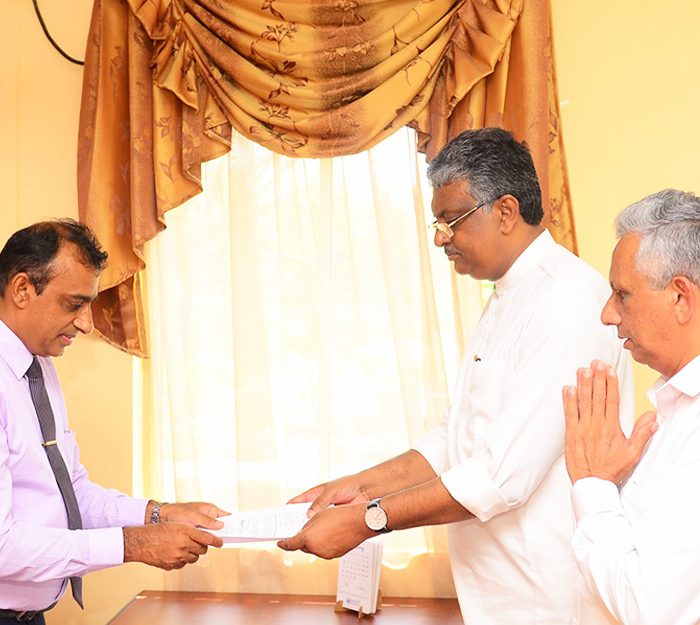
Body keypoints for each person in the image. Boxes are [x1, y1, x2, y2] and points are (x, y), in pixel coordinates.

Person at [278, 128, 633, 624]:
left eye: (452, 220)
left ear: (505, 211)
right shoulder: (509, 295)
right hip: (498, 597)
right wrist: (359, 486)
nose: (441, 237)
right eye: (437, 222)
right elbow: (457, 439)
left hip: (550, 600)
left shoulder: (567, 300)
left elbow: (500, 476)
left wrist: (368, 519)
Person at [0, 219, 226, 625]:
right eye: (74, 304)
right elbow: (3, 547)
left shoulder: (38, 366)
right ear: (21, 290)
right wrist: (133, 544)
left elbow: (71, 493)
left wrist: (158, 515)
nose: (86, 323)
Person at [564, 189, 700, 625]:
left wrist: (594, 483)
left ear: (680, 298)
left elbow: (649, 609)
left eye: (622, 294)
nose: (607, 314)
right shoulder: (675, 406)